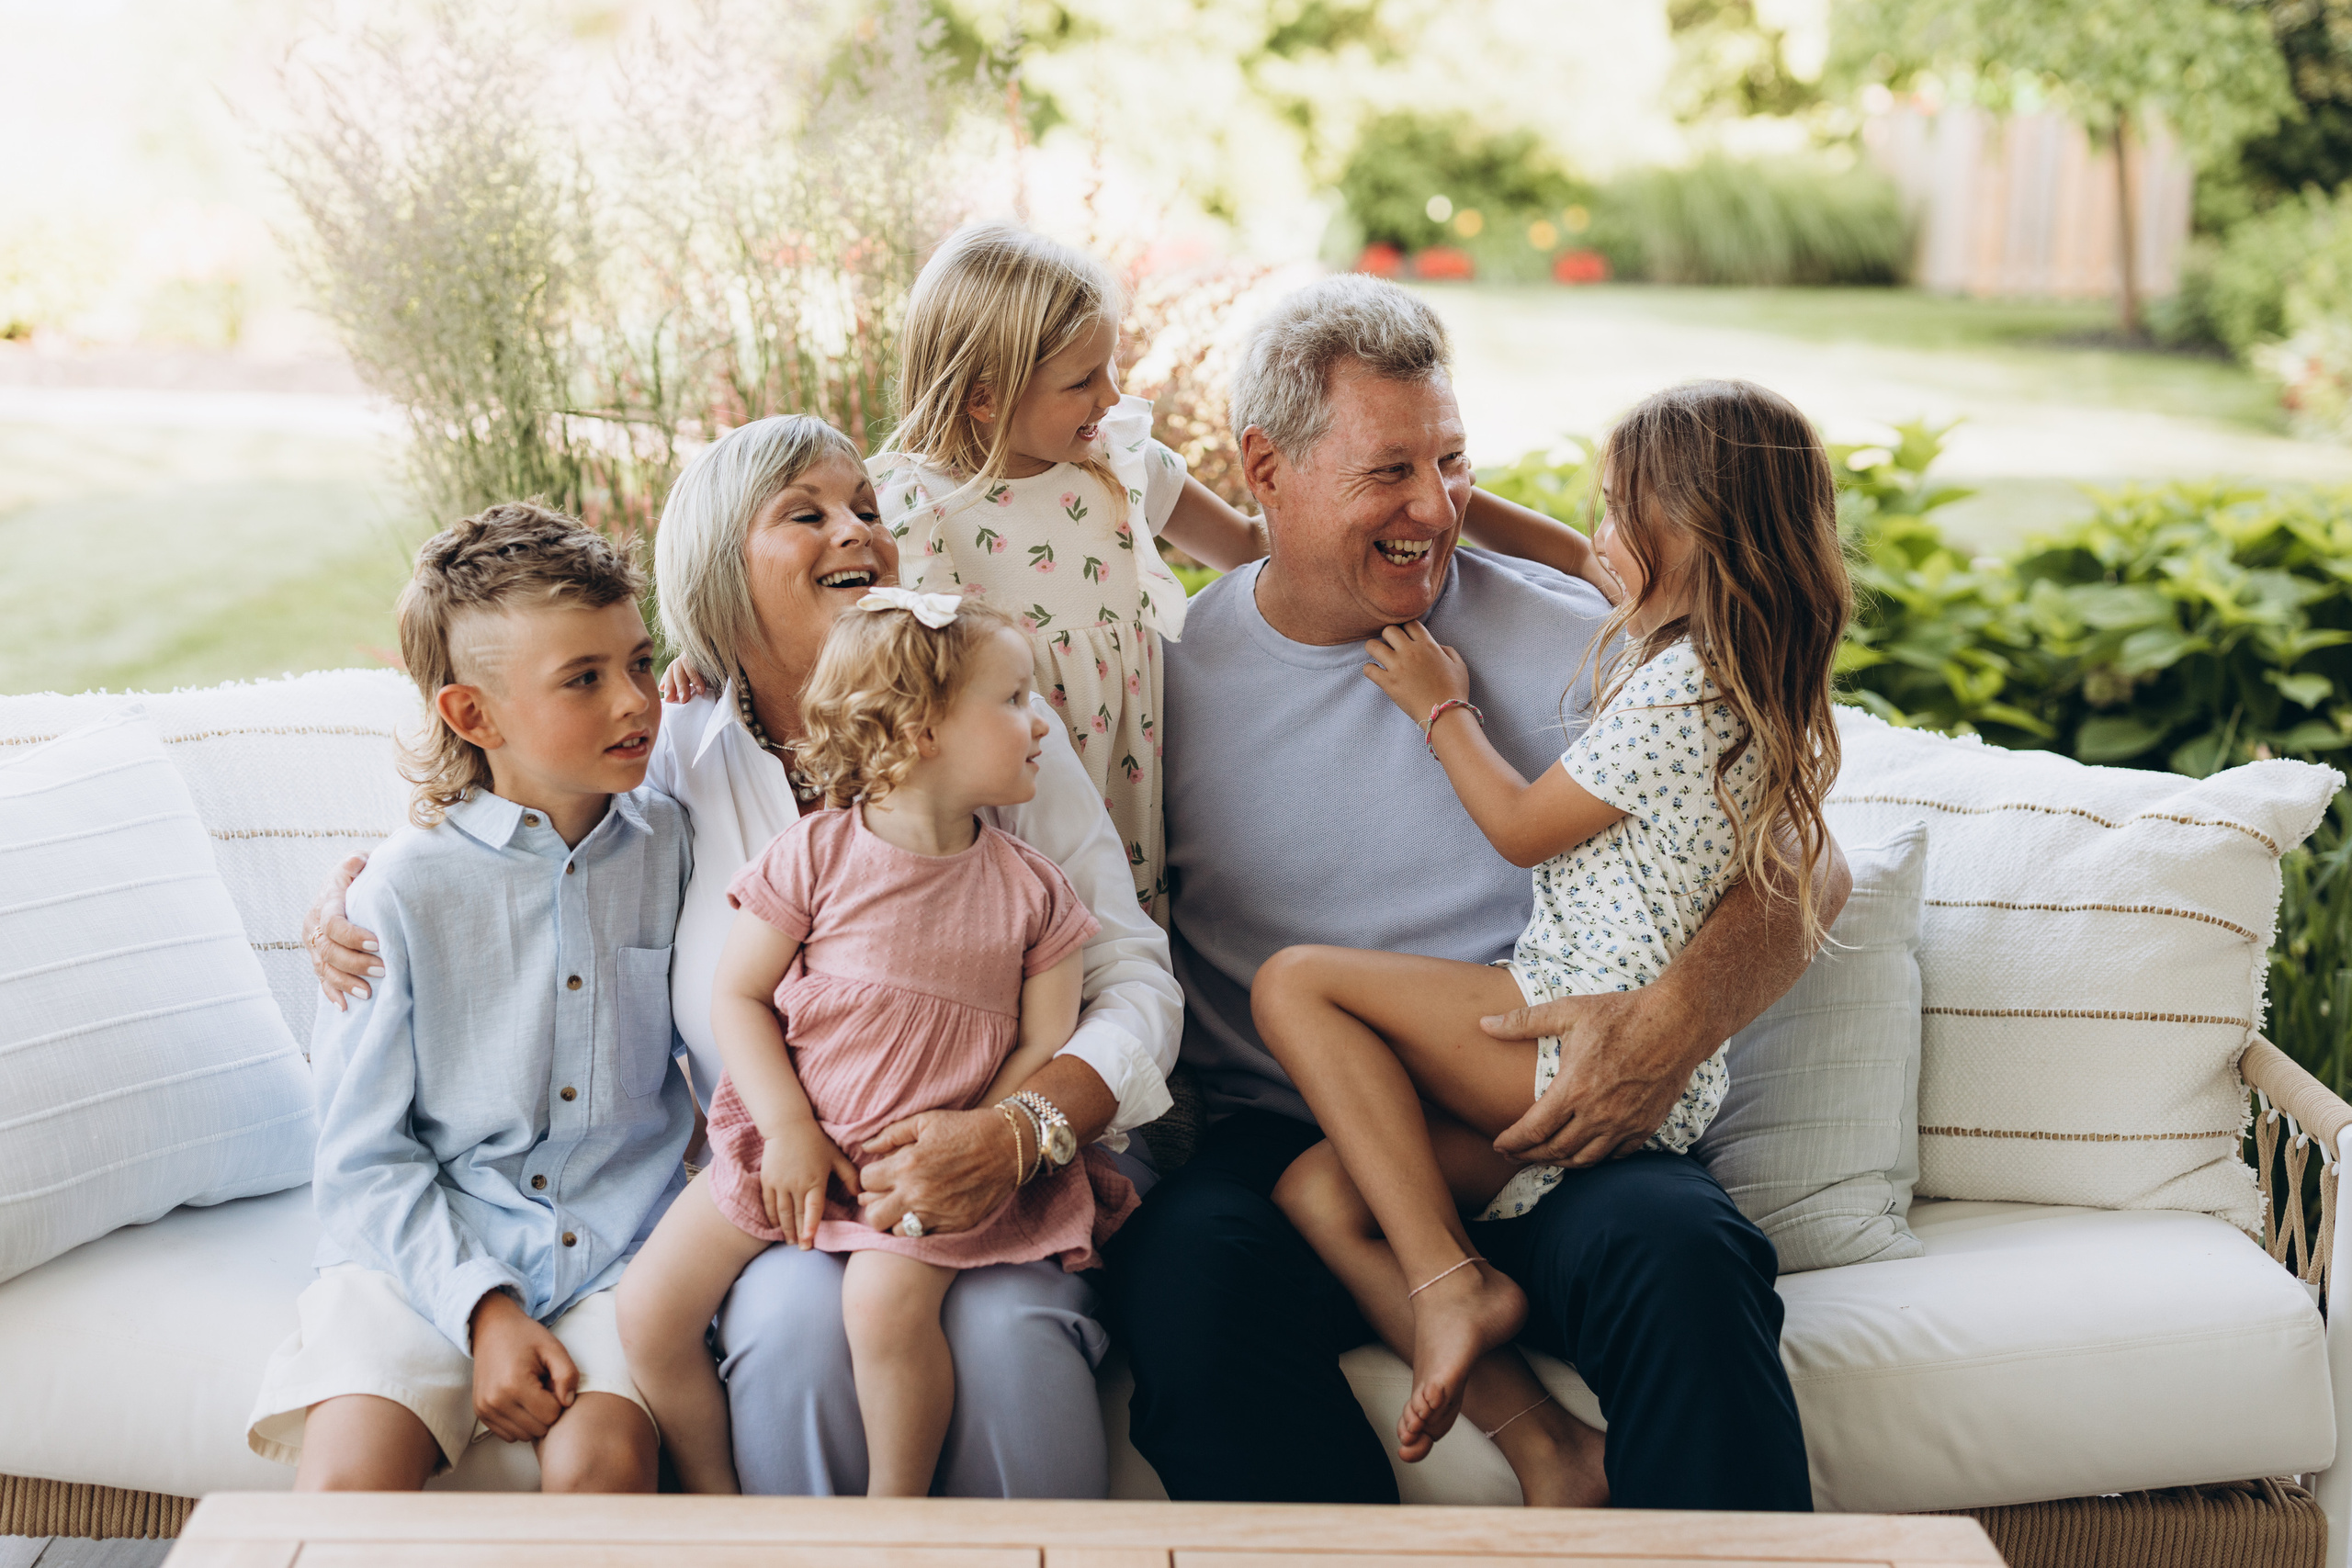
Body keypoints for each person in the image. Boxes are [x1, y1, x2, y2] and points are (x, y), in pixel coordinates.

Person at [308, 413, 1180, 1498]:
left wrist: (1021, 1128)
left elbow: (1130, 978)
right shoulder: (665, 759)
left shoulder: (996, 724)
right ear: (723, 572)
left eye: (866, 507)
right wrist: (349, 894)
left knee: (1007, 1339)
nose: (856, 531)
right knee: (786, 1327)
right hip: (784, 1181)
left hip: (1000, 1161)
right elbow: (524, 829)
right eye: (805, 514)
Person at [1108, 275, 1843, 1513]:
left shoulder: (1589, 635)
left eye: (1453, 462)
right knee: (1185, 1279)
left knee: (1686, 1255)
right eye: (1389, 470)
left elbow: (1808, 856)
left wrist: (1670, 1025)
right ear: (1266, 469)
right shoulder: (1165, 683)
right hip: (1301, 1136)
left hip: (1553, 1104)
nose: (1436, 508)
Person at [865, 220, 1618, 912]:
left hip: (1122, 794)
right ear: (984, 396)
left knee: (1118, 951)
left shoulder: (1122, 465)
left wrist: (1530, 533)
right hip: (999, 785)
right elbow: (882, 675)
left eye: (1111, 365)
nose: (1114, 395)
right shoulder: (905, 505)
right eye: (1082, 381)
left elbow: (1255, 543)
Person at [618, 591, 1132, 1497]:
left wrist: (964, 1140)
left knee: (883, 1310)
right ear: (921, 727)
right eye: (1014, 701)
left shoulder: (1034, 890)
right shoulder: (813, 854)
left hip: (923, 1170)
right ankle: (714, 1501)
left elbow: (1046, 1038)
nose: (1039, 726)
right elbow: (738, 995)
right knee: (650, 1313)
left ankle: (890, 1521)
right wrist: (785, 1128)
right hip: (793, 1143)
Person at [249, 504, 693, 1494]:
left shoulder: (676, 844)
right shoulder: (398, 895)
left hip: (616, 1252)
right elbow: (362, 1158)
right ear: (472, 717)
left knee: (605, 1472)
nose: (634, 702)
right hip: (425, 1241)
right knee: (349, 1488)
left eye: (637, 661)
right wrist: (485, 1310)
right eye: (583, 679)